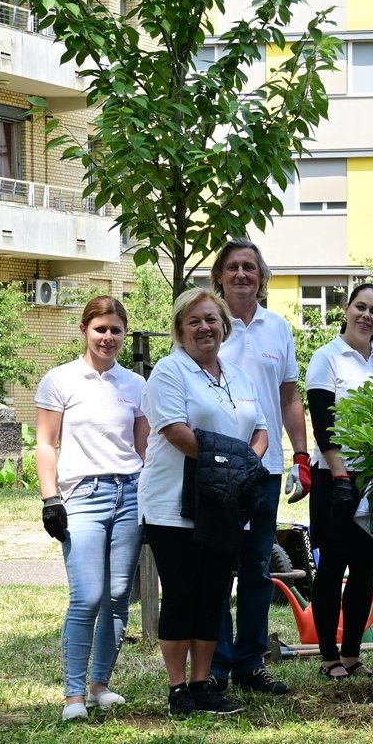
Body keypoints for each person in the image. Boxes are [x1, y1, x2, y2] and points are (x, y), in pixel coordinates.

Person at [140, 289, 267, 716]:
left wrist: (244, 467)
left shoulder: (240, 376)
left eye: (211, 319)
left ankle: (204, 684)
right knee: (181, 595)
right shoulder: (169, 372)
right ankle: (178, 689)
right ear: (179, 329)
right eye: (193, 321)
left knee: (214, 595)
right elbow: (175, 431)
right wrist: (233, 465)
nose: (204, 328)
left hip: (226, 505)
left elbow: (261, 431)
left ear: (224, 325)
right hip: (174, 505)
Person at [35, 298, 148, 721]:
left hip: (129, 493)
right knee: (88, 596)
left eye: (116, 330)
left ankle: (100, 685)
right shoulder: (60, 379)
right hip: (81, 496)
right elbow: (46, 443)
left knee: (119, 597)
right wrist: (51, 500)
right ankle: (73, 696)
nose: (108, 337)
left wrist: (150, 501)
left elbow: (144, 449)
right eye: (100, 328)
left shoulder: (135, 385)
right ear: (85, 329)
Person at [209, 240, 307, 698]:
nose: (242, 274)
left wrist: (301, 455)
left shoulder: (278, 329)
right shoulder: (207, 323)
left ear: (261, 277)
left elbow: (290, 398)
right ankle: (216, 665)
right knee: (216, 567)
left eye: (250, 267)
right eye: (233, 268)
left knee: (256, 567)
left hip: (266, 468)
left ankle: (250, 662)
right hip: (216, 468)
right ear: (220, 277)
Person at [305, 284, 373, 680]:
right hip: (334, 476)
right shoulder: (326, 358)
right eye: (361, 307)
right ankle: (328, 657)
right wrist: (341, 476)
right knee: (332, 569)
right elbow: (323, 424)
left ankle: (352, 656)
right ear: (346, 308)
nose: (367, 316)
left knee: (364, 569)